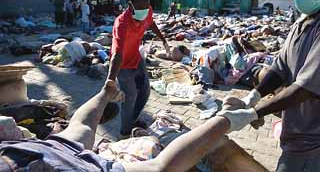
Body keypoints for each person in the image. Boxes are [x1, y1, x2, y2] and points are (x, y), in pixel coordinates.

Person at [216, 0, 320, 172]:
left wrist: (254, 113)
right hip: (299, 128)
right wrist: (254, 96)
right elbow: (280, 68)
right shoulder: (303, 22)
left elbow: (308, 87)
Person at [0, 80, 245, 172]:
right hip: (30, 151)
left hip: (37, 158)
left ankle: (227, 118)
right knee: (79, 127)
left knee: (160, 167)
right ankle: (228, 117)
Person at [107, 0, 171, 137]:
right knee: (130, 97)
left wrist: (163, 40)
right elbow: (117, 54)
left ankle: (133, 119)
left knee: (145, 92)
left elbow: (151, 23)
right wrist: (110, 79)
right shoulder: (121, 24)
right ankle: (124, 132)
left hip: (136, 57)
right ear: (130, 5)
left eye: (146, 7)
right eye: (140, 8)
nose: (144, 11)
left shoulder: (147, 11)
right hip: (122, 65)